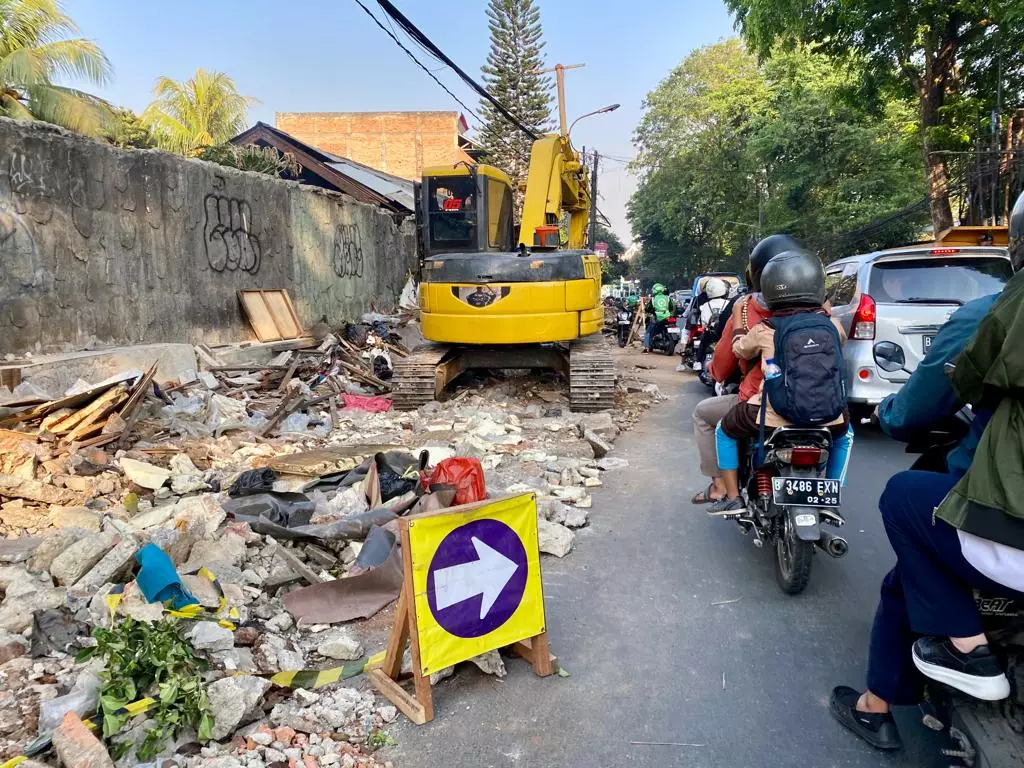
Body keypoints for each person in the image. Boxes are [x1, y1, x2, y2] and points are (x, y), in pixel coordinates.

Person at [830, 191, 1024, 752]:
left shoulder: (996, 313)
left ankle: (893, 695)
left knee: (907, 505)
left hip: (1004, 528)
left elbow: (917, 406)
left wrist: (889, 413)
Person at [709, 249, 852, 515]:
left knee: (723, 430)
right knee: (845, 437)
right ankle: (833, 493)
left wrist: (740, 328)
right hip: (828, 414)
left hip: (772, 415)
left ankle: (731, 496)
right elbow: (840, 343)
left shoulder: (766, 329)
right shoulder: (832, 324)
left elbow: (739, 350)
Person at [690, 235, 799, 504]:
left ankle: (721, 487)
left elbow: (728, 357)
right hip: (820, 403)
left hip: (760, 401)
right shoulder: (822, 312)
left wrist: (715, 371)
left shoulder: (746, 307)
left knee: (704, 415)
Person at [642, 283, 674, 353]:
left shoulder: (653, 299)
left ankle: (646, 347)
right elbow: (671, 307)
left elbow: (647, 308)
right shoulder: (667, 298)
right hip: (668, 317)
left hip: (657, 318)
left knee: (648, 332)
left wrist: (647, 310)